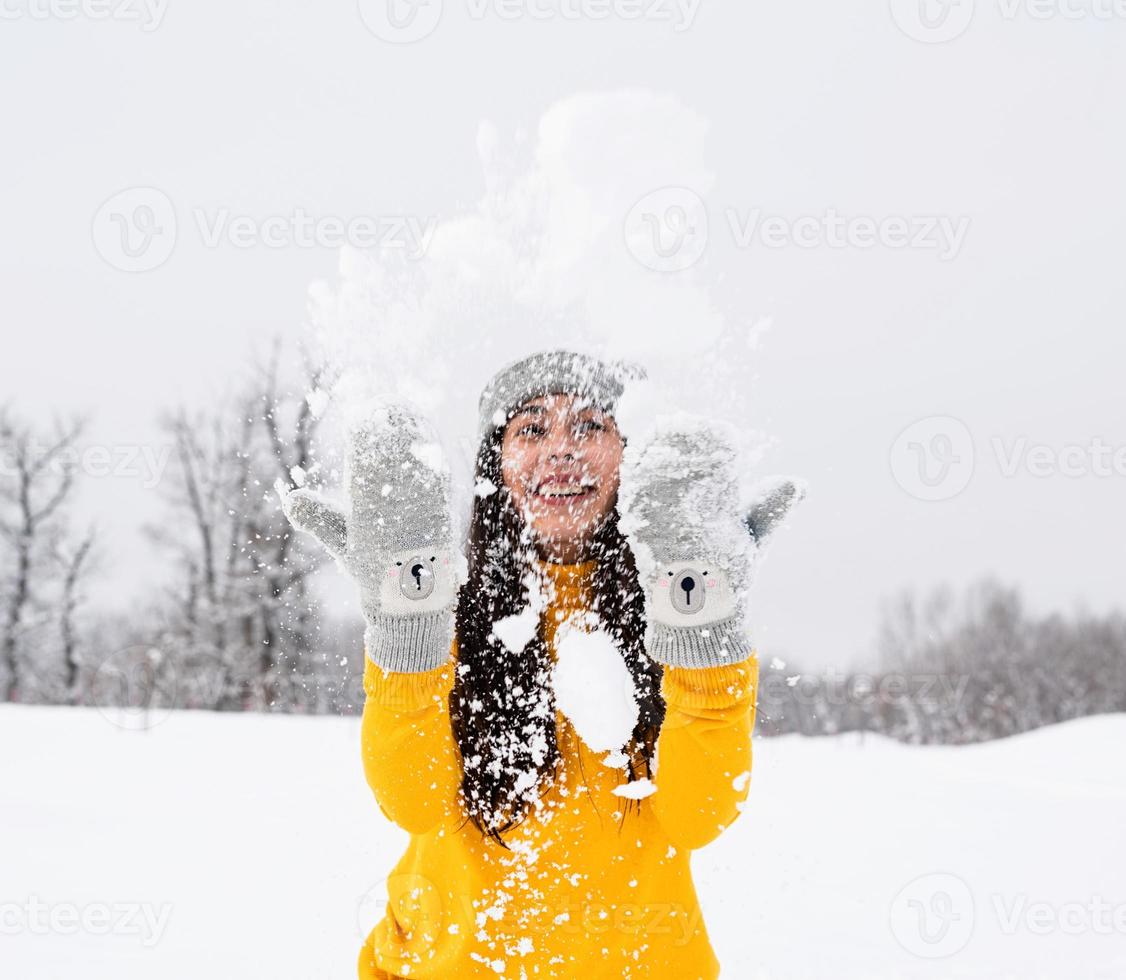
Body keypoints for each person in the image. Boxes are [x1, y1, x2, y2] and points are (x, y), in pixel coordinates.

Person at [280, 349, 800, 979]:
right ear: (496, 464)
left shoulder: (680, 613)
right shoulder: (440, 603)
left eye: (589, 426)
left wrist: (703, 631)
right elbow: (412, 803)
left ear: (627, 454)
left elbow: (698, 815)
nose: (561, 450)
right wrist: (404, 627)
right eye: (530, 429)